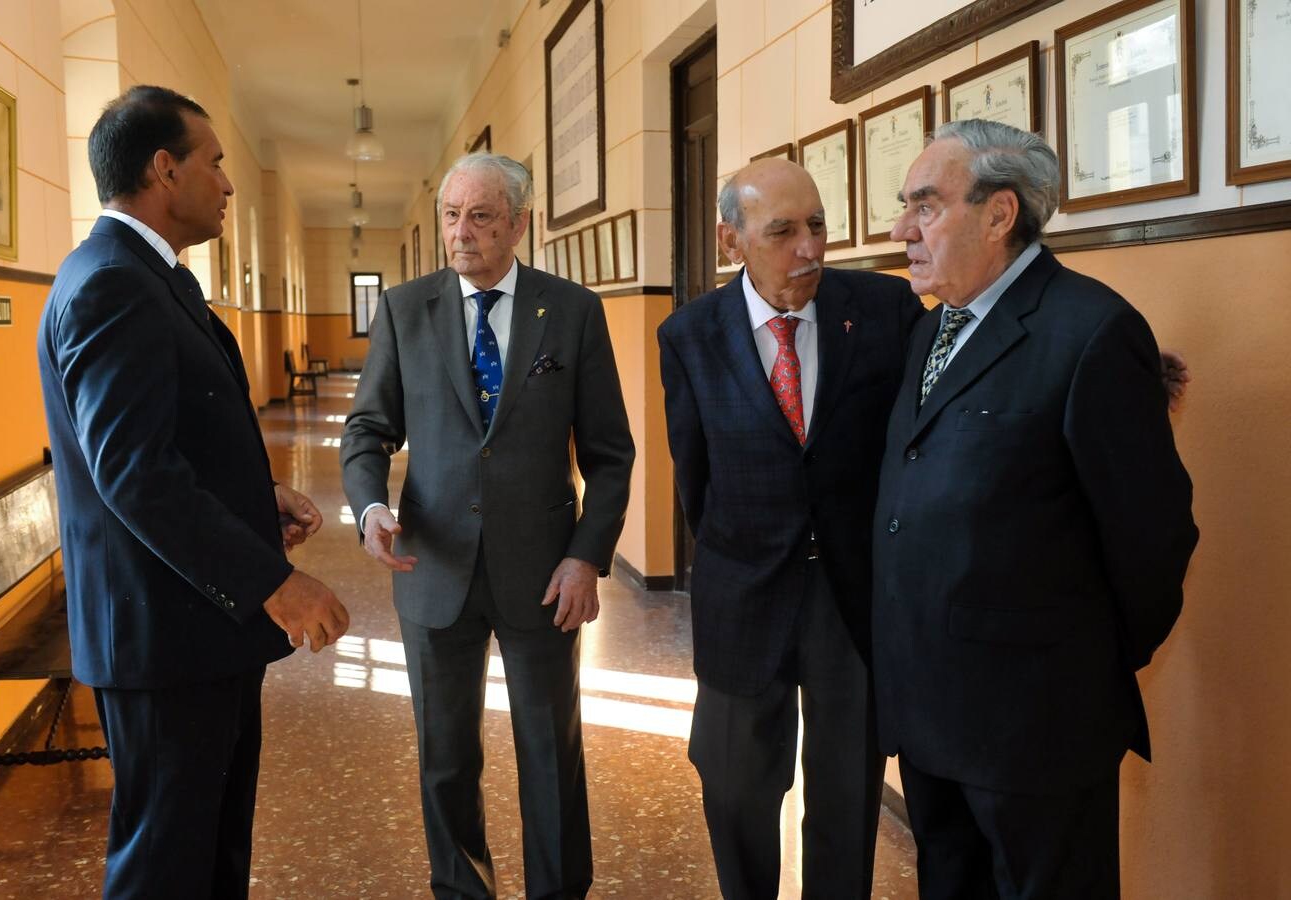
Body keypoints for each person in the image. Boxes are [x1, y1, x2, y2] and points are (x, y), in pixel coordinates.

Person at [871, 119, 1198, 898]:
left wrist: (1076, 665)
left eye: (925, 206)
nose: (900, 230)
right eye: (904, 206)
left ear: (999, 214)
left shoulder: (1091, 331)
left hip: (1038, 725)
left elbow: (1153, 537)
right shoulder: (932, 329)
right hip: (928, 712)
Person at [37, 85, 349, 899]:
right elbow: (134, 473)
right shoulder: (113, 282)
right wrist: (273, 584)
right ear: (164, 169)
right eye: (214, 162)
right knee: (166, 864)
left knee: (208, 851)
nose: (228, 184)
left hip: (191, 628)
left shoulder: (145, 275)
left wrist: (259, 495)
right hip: (163, 638)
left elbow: (170, 439)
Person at [340, 152, 635, 900]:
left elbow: (609, 453)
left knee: (550, 752)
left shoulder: (570, 310)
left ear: (519, 224)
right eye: (451, 215)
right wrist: (371, 506)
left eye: (481, 216)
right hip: (432, 569)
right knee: (445, 759)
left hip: (543, 573)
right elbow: (369, 429)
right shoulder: (406, 310)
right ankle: (461, 889)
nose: (461, 233)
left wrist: (586, 558)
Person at [657, 157, 925, 899]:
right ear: (730, 239)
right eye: (781, 231)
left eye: (817, 226)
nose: (808, 248)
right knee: (737, 787)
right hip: (743, 592)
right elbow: (695, 478)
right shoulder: (689, 336)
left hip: (850, 593)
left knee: (846, 794)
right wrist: (731, 559)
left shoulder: (884, 310)